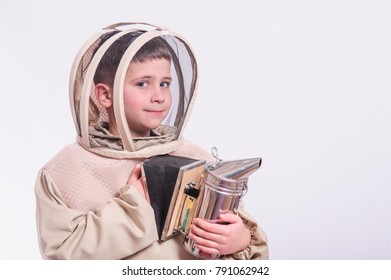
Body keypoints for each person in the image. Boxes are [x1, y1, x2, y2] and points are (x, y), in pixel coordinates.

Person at [35, 22, 268, 260]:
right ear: (105, 95)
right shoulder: (66, 169)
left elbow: (243, 250)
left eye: (164, 84)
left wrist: (240, 240)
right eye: (142, 83)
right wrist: (135, 207)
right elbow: (62, 257)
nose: (159, 97)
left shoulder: (196, 157)